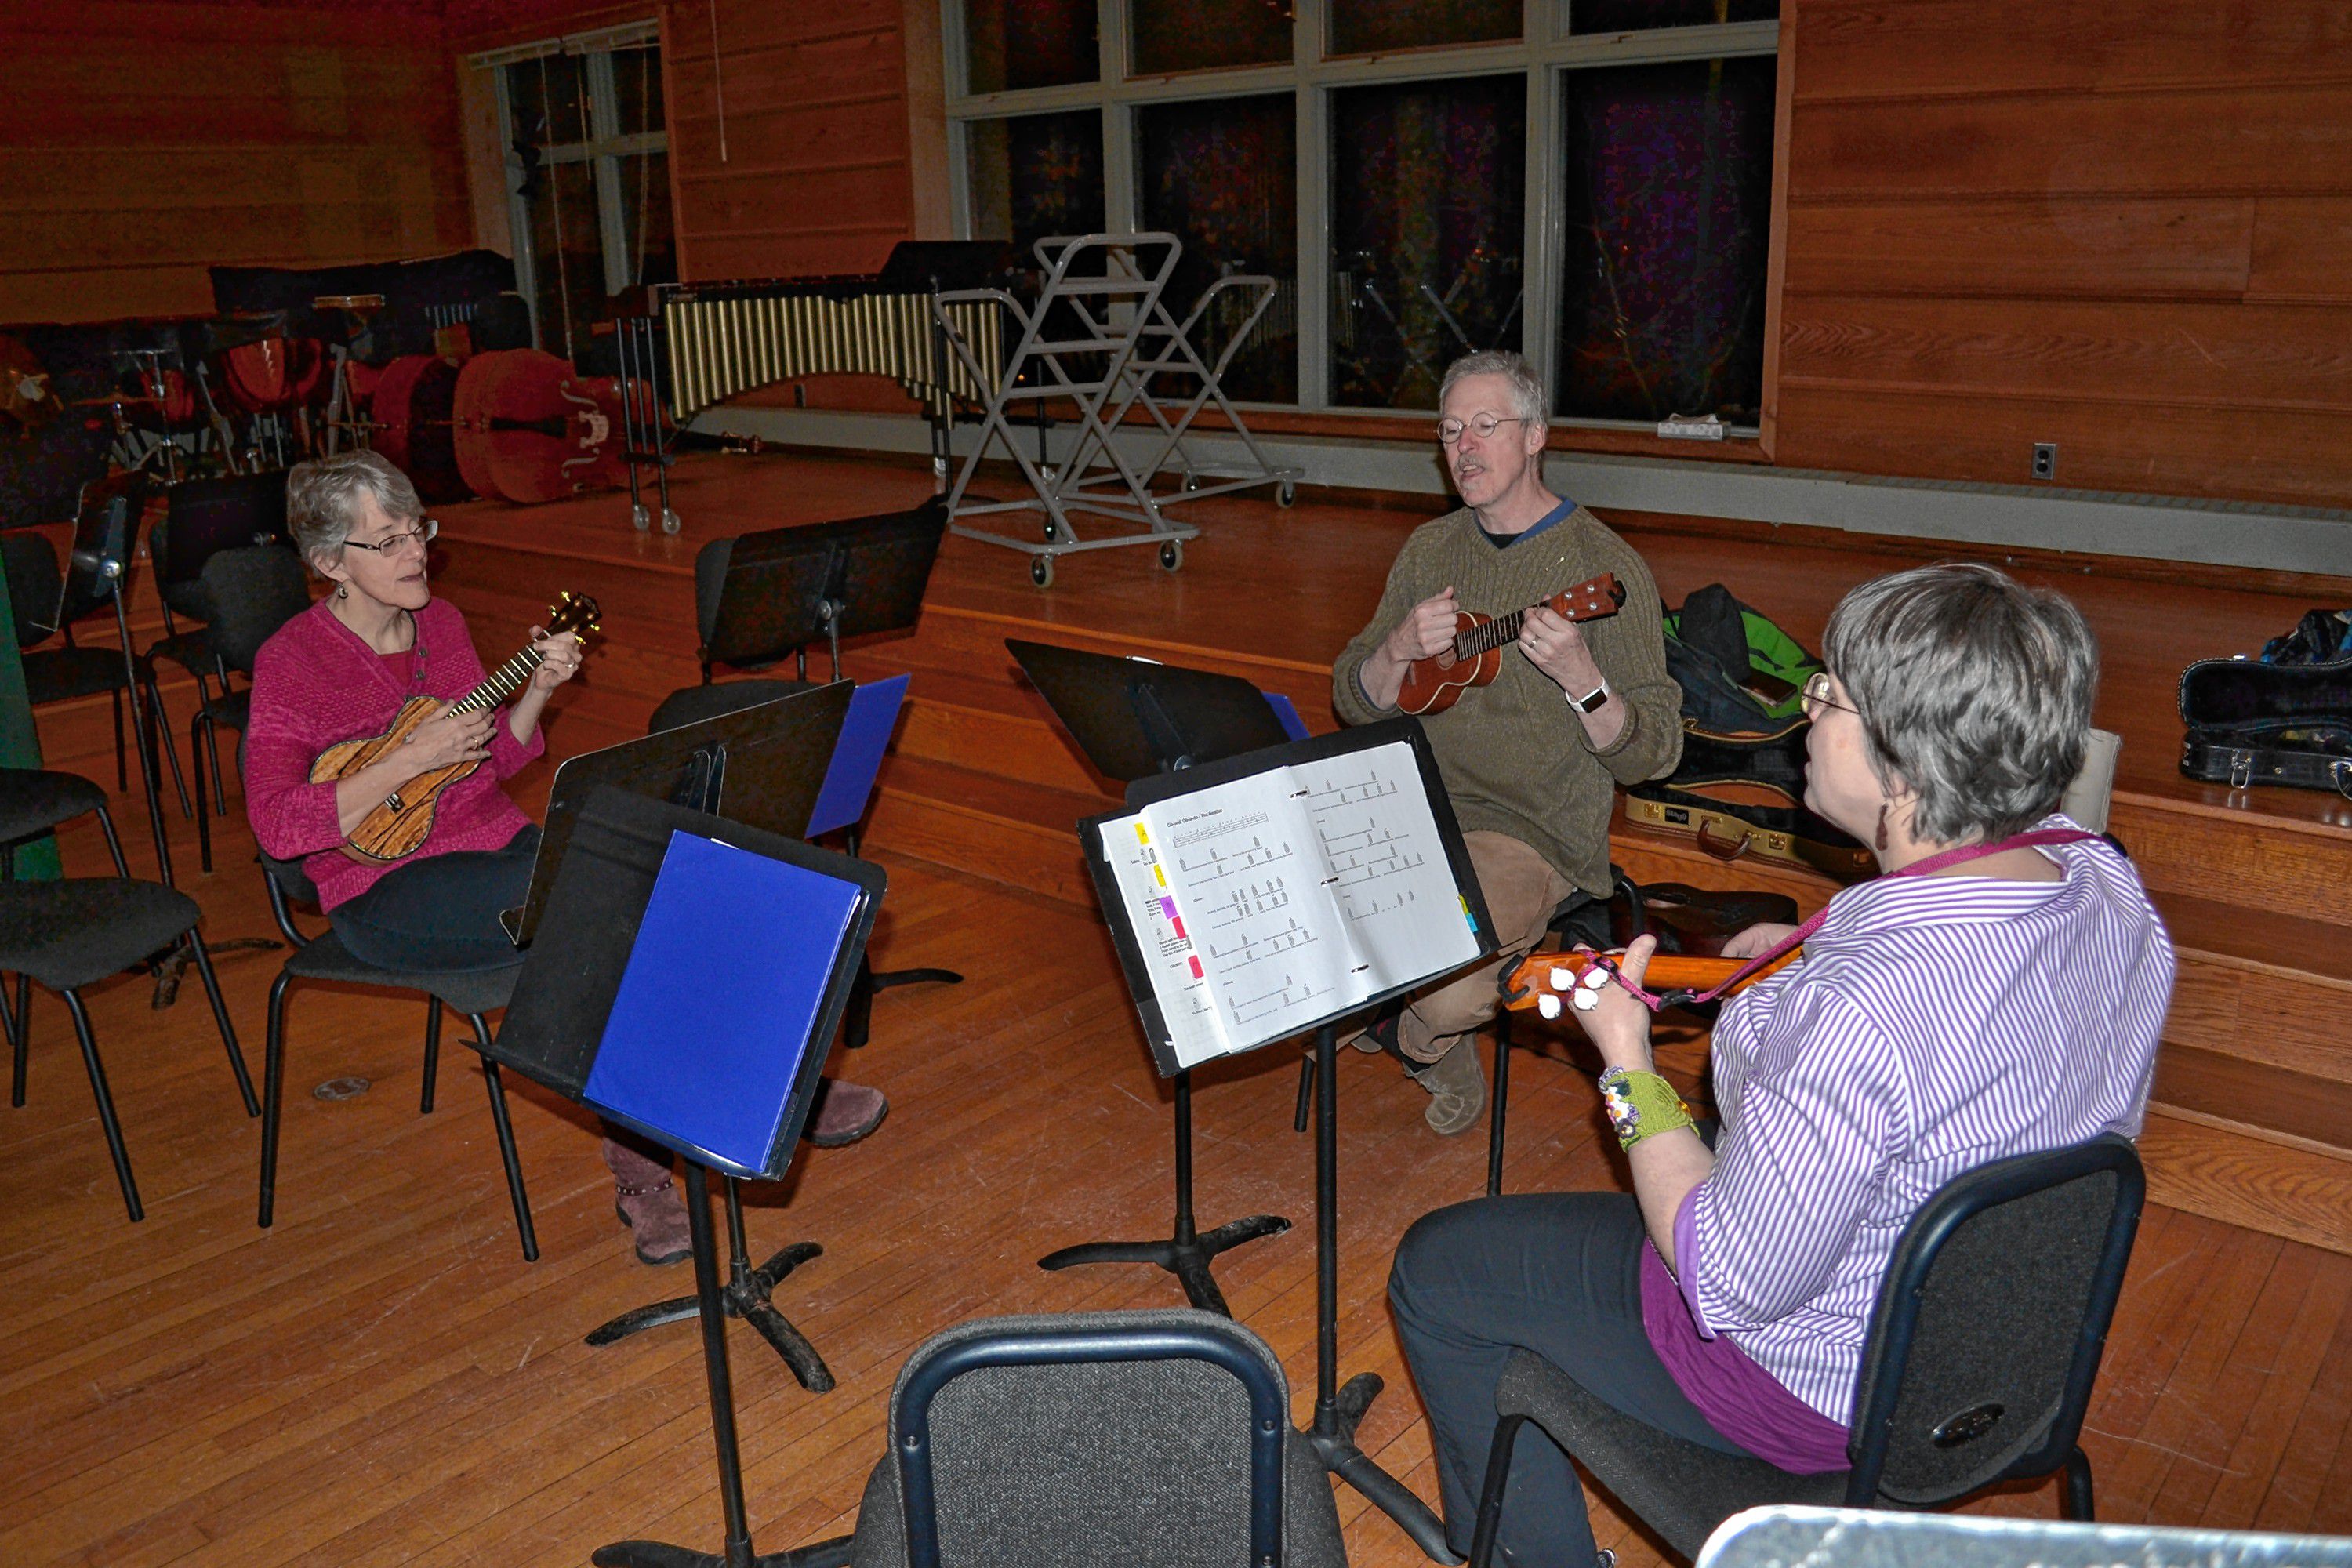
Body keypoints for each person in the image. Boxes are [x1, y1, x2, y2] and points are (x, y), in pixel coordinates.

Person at [1385, 564, 2175, 1566]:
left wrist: (1629, 1063)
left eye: (1828, 695)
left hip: (1809, 1387)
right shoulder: (2103, 881)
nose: (1805, 713)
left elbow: (1727, 1279)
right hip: (2004, 1349)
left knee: (1441, 1266)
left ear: (1908, 765)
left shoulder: (1863, 1009)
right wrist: (1809, 945)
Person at [245, 450, 887, 1268]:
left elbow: (496, 765)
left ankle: (769, 1082)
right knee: (599, 917)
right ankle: (650, 1174)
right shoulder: (292, 662)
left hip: (496, 845)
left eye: (419, 531)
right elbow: (274, 827)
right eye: (389, 541)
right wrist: (405, 761)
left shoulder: (438, 624)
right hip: (380, 888)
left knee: (665, 880)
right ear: (330, 562)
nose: (417, 553)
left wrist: (539, 688)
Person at [1331, 350, 1682, 1133]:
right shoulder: (1430, 550)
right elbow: (1351, 696)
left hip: (1530, 830)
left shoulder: (1604, 566)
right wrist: (1395, 650)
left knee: (1447, 990)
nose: (1465, 447)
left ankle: (1412, 1030)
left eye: (1487, 426)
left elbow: (1656, 751)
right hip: (1415, 807)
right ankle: (1396, 998)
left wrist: (1585, 677)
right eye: (1451, 430)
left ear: (1536, 437)